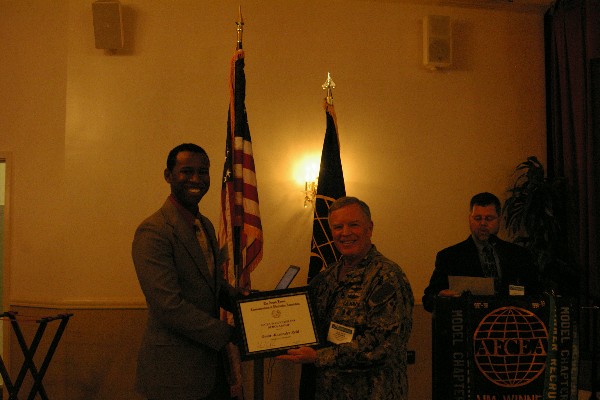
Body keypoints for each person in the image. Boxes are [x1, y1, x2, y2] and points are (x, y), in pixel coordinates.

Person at [132, 143, 242, 400]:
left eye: (203, 172)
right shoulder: (154, 231)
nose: (196, 179)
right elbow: (168, 306)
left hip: (212, 369)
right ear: (168, 176)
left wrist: (245, 301)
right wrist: (229, 334)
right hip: (174, 374)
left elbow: (210, 285)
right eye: (187, 171)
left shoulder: (204, 225)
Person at [278, 196, 414, 400]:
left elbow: (382, 345)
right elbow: (308, 322)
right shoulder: (327, 276)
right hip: (328, 391)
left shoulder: (387, 277)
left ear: (369, 228)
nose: (345, 233)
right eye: (338, 227)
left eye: (353, 225)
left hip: (373, 393)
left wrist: (318, 357)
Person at [422, 192, 541, 313]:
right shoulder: (450, 256)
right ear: (470, 219)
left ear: (499, 220)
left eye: (489, 218)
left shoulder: (519, 255)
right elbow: (428, 300)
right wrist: (441, 298)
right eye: (477, 218)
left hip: (511, 324)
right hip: (470, 326)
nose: (483, 223)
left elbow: (536, 293)